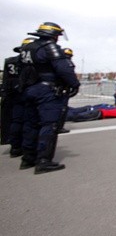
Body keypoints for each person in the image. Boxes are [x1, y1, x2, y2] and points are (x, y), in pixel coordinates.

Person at [19, 22, 79, 174]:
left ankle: (28, 158)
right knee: (49, 125)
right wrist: (74, 84)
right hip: (47, 90)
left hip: (30, 89)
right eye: (57, 35)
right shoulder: (49, 47)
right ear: (53, 35)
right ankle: (44, 161)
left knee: (31, 124)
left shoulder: (28, 48)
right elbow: (63, 68)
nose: (58, 39)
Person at [1, 38, 34, 156]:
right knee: (29, 122)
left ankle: (14, 146)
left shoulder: (9, 61)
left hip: (12, 95)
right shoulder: (30, 62)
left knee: (15, 120)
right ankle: (27, 148)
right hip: (27, 94)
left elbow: (5, 80)